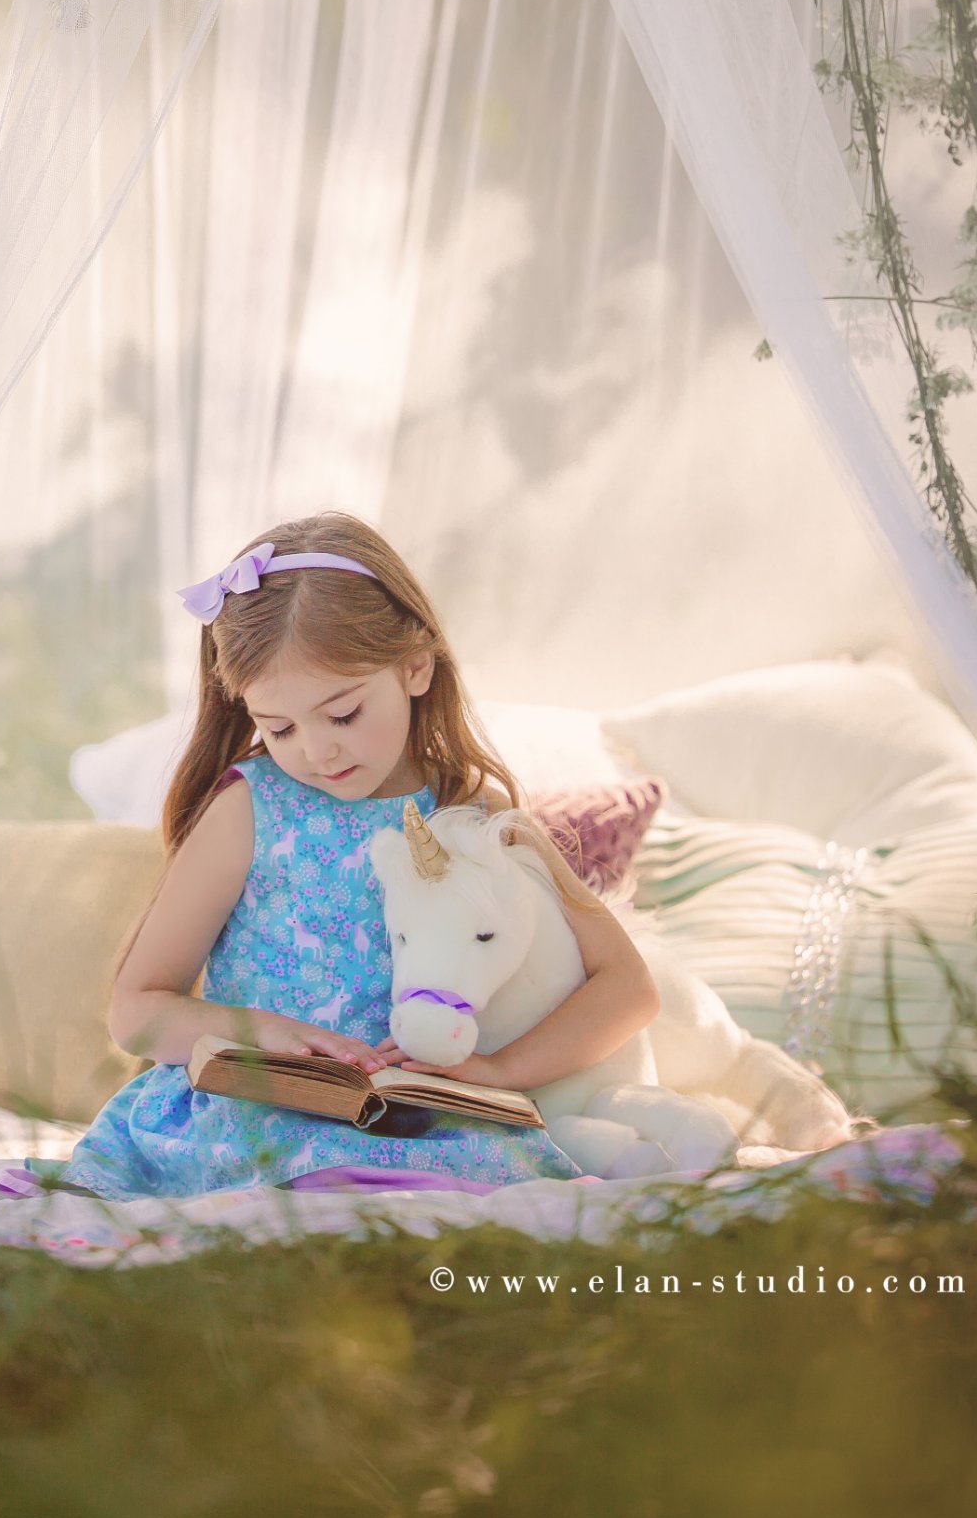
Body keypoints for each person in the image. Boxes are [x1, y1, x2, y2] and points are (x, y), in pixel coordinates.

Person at [50, 511, 662, 1199]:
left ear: (415, 667)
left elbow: (626, 986)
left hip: (421, 1122)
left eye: (342, 714)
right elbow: (137, 1009)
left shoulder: (475, 814)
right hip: (250, 1115)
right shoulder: (248, 809)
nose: (317, 751)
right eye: (277, 727)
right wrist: (267, 1035)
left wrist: (500, 1071)